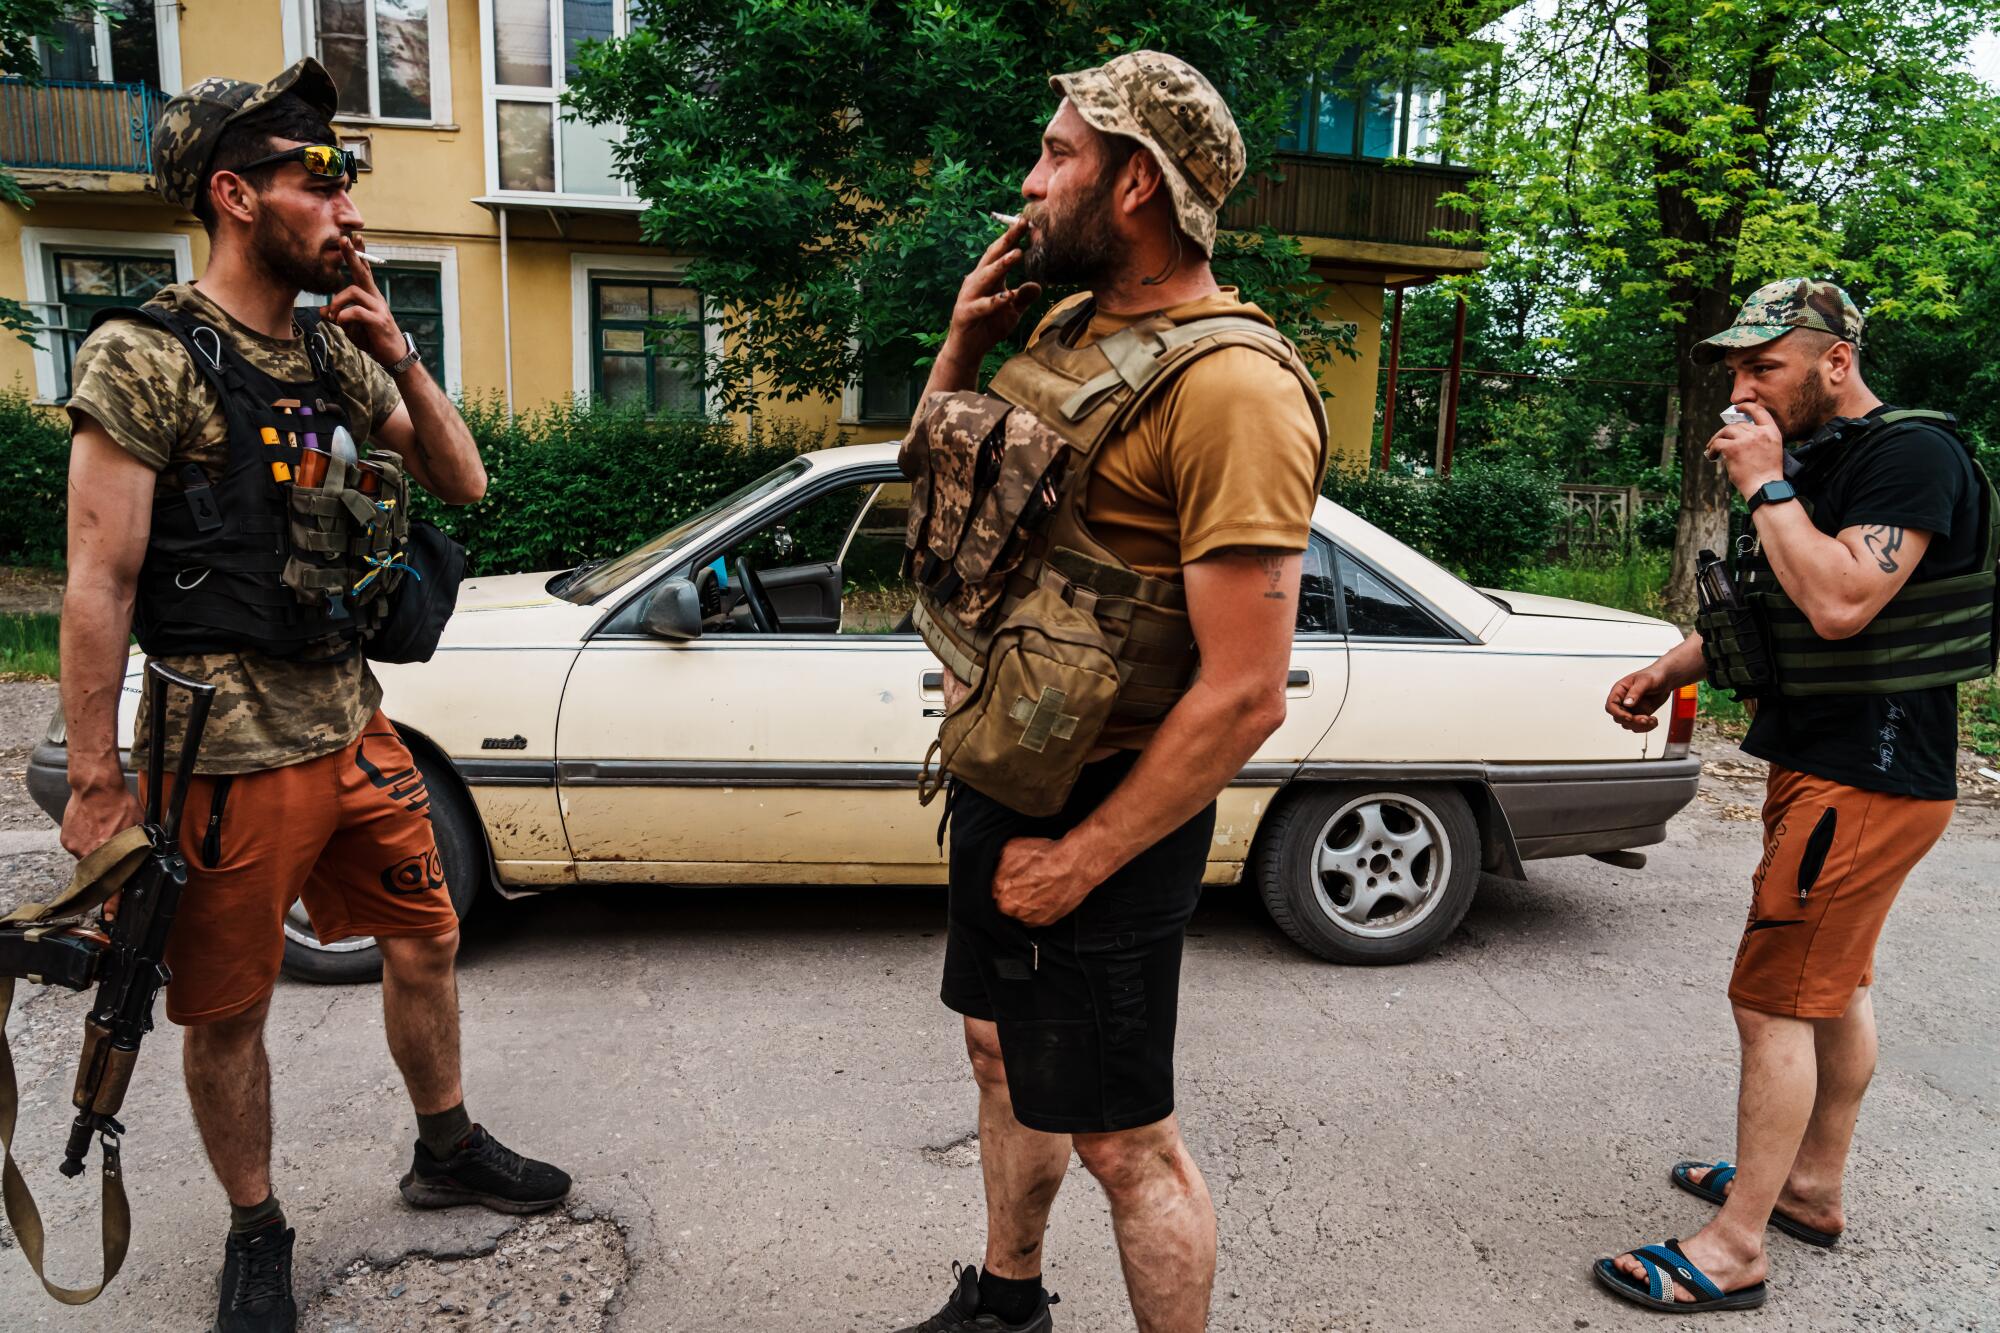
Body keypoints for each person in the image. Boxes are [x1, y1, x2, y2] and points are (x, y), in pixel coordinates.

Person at [58, 60, 569, 1333]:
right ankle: (256, 1225)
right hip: (222, 752)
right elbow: (96, 583)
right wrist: (92, 779)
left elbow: (462, 483)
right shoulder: (148, 357)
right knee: (226, 1010)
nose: (349, 200)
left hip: (349, 718)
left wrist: (394, 348)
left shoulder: (334, 352)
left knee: (430, 935)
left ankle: (443, 1146)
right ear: (236, 195)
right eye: (320, 174)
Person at [887, 52, 1328, 1333]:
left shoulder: (1234, 388)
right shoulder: (1065, 328)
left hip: (1108, 811)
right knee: (998, 1055)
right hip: (1004, 769)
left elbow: (1246, 694)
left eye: (1058, 155)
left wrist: (1080, 860)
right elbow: (941, 498)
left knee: (1126, 1144)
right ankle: (1006, 1300)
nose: (1029, 183)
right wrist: (963, 343)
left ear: (1136, 182)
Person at [1596, 278, 1992, 1313]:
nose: (1740, 387)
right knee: (1834, 987)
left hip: (1866, 771)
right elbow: (1773, 596)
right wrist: (1668, 667)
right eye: (1732, 368)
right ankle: (1806, 1187)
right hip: (1824, 764)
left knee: (1770, 994)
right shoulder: (1825, 463)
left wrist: (1766, 484)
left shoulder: (1911, 456)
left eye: (1759, 365)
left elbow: (1839, 599)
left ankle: (1733, 1248)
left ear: (1831, 361)